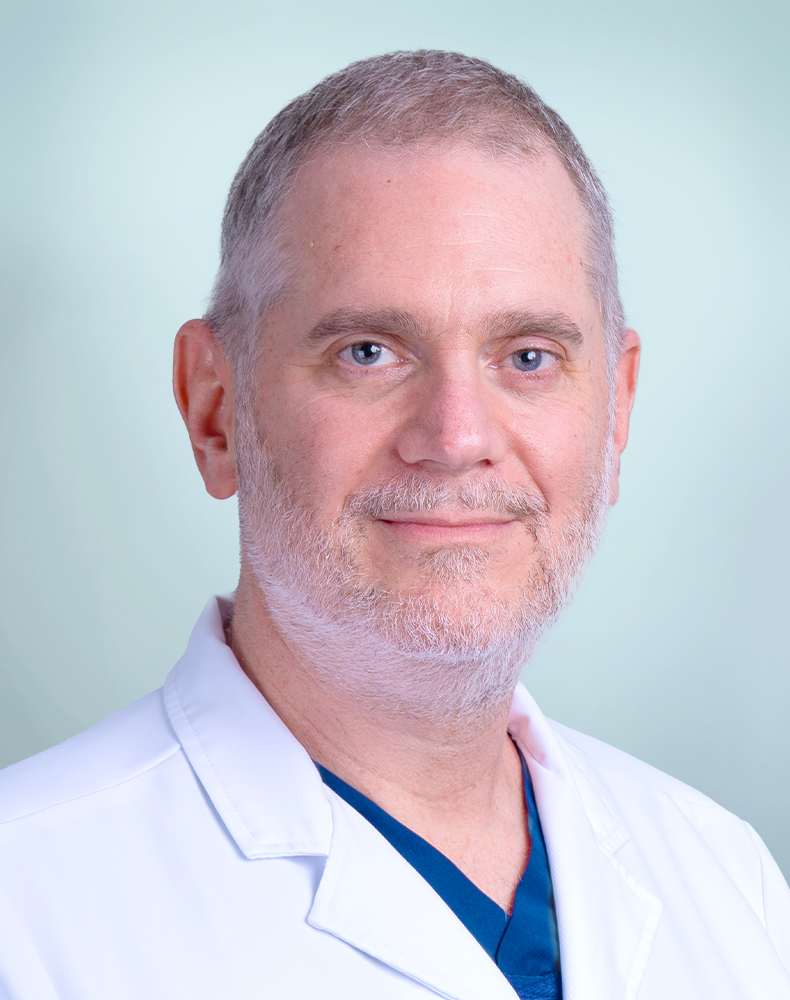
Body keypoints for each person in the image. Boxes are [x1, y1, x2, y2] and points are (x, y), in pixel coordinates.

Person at [0, 50, 787, 1000]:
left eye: (528, 357)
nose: (456, 439)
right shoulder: (26, 905)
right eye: (368, 352)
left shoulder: (729, 883)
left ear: (615, 410)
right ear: (214, 410)